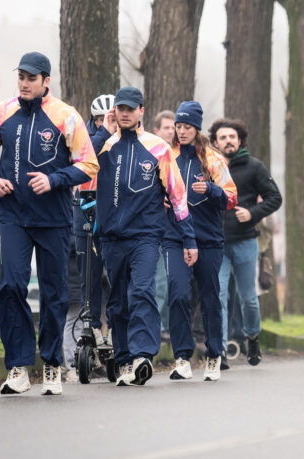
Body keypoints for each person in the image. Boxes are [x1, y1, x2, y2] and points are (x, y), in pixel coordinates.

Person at [0, 52, 99, 396]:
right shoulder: (2, 112)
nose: (25, 84)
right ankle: (17, 367)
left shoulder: (66, 116)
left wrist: (55, 179)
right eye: (21, 78)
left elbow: (88, 165)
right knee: (12, 287)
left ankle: (51, 365)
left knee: (54, 293)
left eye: (32, 78)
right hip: (13, 215)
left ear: (46, 81)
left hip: (53, 219)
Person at [93, 87, 196, 386]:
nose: (125, 113)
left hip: (147, 236)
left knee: (141, 290)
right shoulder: (104, 145)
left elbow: (177, 196)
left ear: (141, 111)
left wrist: (188, 239)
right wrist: (104, 131)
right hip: (111, 237)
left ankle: (142, 356)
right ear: (115, 112)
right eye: (120, 108)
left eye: (131, 108)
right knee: (118, 301)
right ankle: (124, 359)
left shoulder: (158, 148)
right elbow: (82, 162)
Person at [166, 101, 237, 382]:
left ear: (196, 128)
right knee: (178, 294)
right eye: (178, 127)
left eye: (187, 127)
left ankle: (213, 355)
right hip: (175, 238)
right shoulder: (167, 156)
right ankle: (182, 357)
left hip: (208, 239)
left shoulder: (212, 159)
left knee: (210, 298)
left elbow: (231, 197)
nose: (182, 132)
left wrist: (211, 189)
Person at [211, 118, 282, 368]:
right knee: (218, 296)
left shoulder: (254, 167)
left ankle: (252, 337)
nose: (228, 141)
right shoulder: (209, 167)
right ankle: (218, 351)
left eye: (232, 137)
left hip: (244, 242)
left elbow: (275, 198)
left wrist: (253, 213)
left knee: (248, 299)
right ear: (215, 142)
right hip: (217, 243)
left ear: (239, 140)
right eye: (223, 137)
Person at [62, 94, 114, 379]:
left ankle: (112, 346)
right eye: (100, 119)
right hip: (83, 229)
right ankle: (75, 358)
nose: (107, 123)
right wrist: (104, 131)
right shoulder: (87, 140)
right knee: (83, 296)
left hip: (114, 229)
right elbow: (83, 161)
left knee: (113, 294)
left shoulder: (126, 144)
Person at [152, 110, 176, 337]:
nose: (171, 131)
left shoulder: (180, 155)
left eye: (173, 127)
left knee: (171, 283)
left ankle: (167, 327)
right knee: (159, 283)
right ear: (156, 130)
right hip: (154, 229)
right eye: (166, 127)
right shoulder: (150, 154)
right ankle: (156, 328)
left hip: (176, 231)